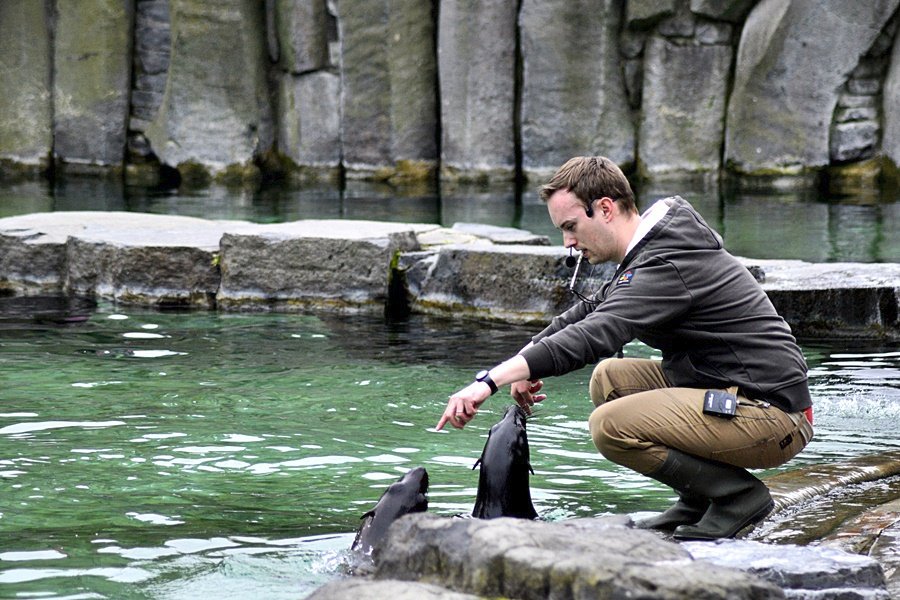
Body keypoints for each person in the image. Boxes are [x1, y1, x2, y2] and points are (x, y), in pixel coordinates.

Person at [435, 155, 814, 540]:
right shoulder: (652, 249)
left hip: (774, 415)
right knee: (609, 380)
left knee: (610, 426)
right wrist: (525, 363)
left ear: (604, 208)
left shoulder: (666, 261)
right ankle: (698, 496)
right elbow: (584, 314)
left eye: (570, 227)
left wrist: (488, 382)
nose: (567, 242)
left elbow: (596, 334)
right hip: (731, 388)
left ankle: (738, 497)